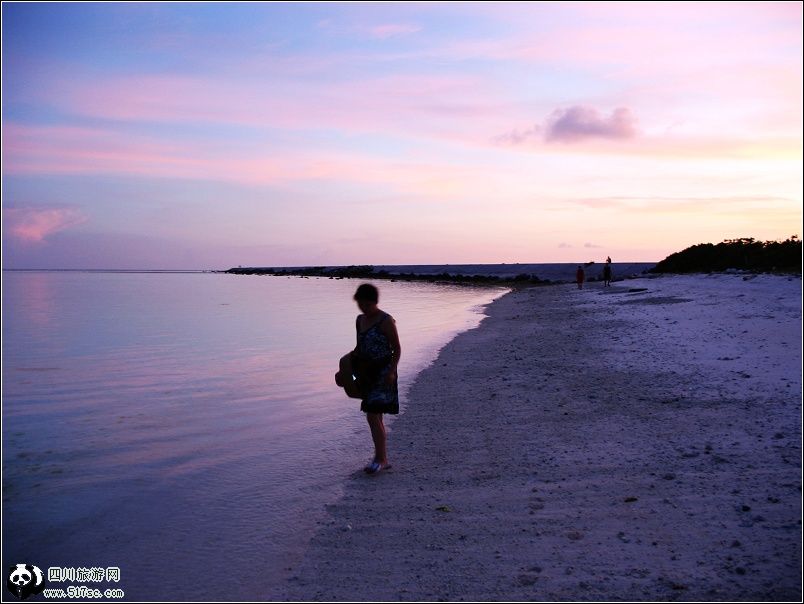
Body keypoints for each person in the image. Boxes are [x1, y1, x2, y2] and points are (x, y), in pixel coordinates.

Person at [334, 283, 401, 475]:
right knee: (376, 415)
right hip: (366, 373)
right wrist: (345, 373)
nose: (362, 307)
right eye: (359, 304)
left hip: (384, 372)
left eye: (365, 304)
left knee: (372, 414)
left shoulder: (386, 320)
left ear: (373, 301)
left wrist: (391, 372)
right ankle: (382, 458)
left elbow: (397, 348)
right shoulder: (359, 320)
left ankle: (380, 459)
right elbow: (358, 349)